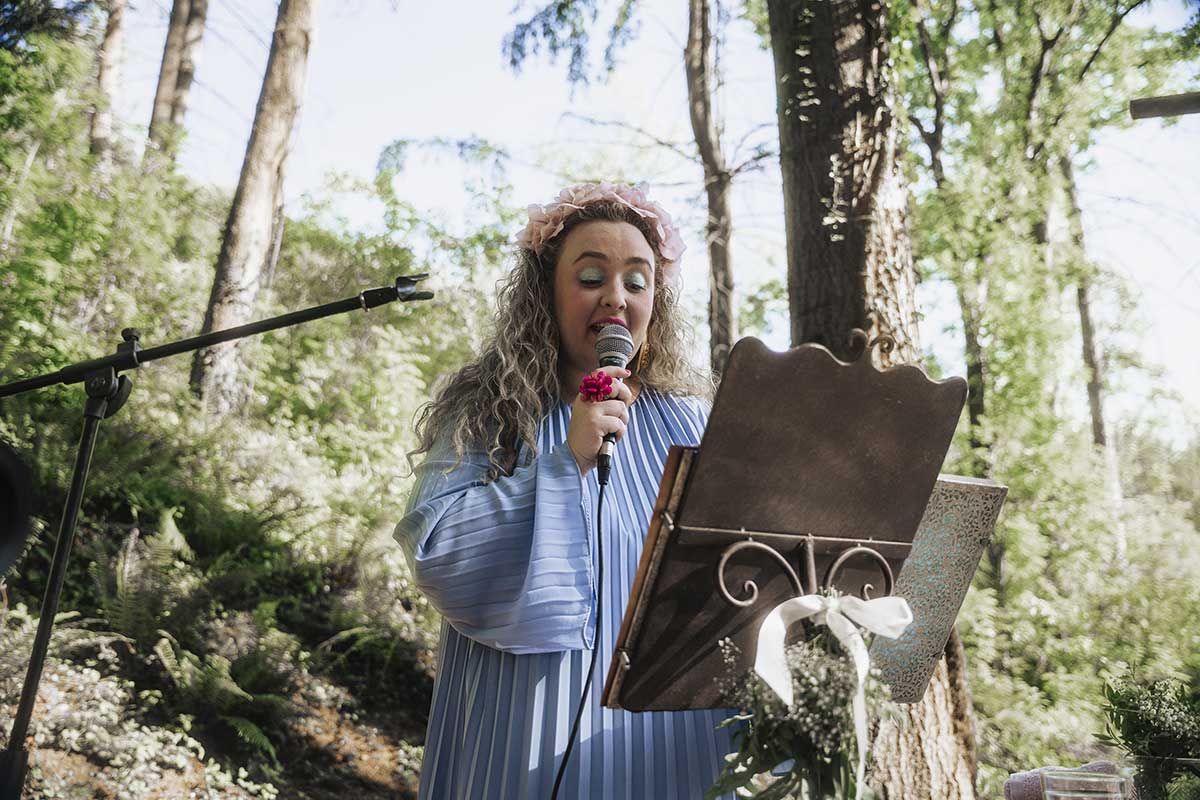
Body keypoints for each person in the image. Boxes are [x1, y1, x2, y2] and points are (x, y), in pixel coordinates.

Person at [394, 182, 737, 799]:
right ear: (544, 294)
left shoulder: (691, 422)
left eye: (637, 281)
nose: (616, 297)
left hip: (671, 736)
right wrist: (566, 461)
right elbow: (437, 549)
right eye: (590, 277)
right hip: (527, 730)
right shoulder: (487, 410)